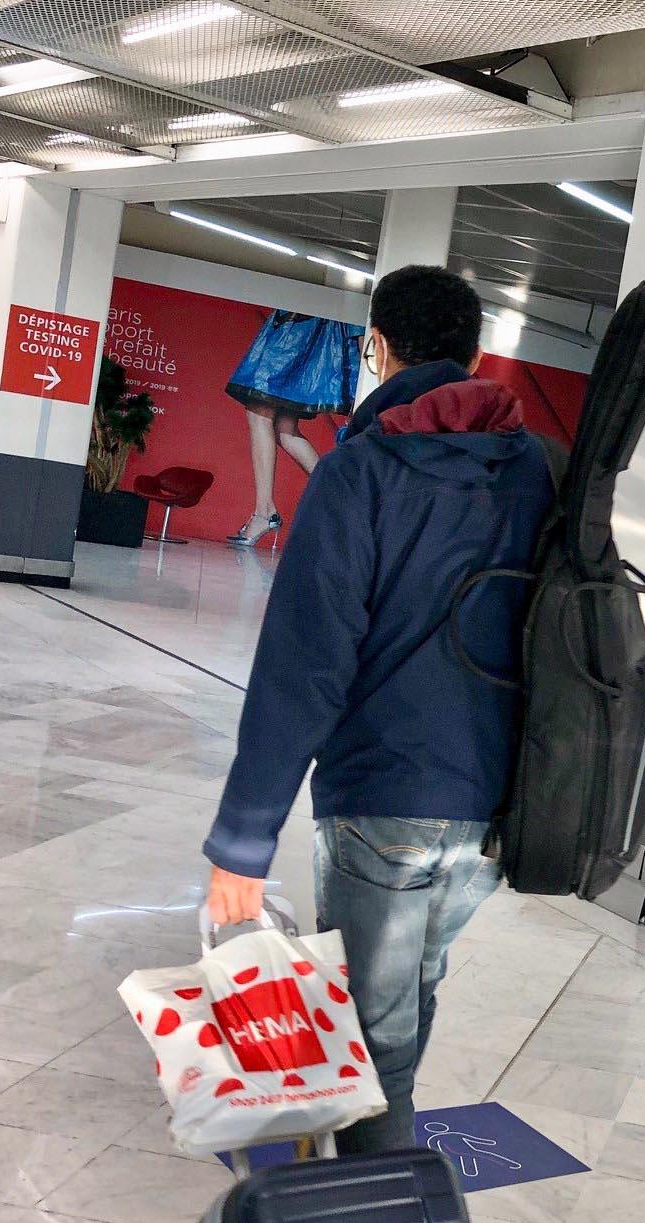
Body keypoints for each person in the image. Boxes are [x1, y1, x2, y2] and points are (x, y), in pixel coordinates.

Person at [202, 266, 554, 1152]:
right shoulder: (536, 473)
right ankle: (378, 1193)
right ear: (476, 357)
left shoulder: (361, 472)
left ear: (376, 348)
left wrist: (243, 843)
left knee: (371, 1044)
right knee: (407, 996)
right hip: (492, 803)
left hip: (384, 795)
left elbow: (303, 667)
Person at [222, 309, 363, 548]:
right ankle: (341, 494)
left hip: (298, 328)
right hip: (309, 327)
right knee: (283, 427)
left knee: (260, 413)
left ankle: (265, 511)